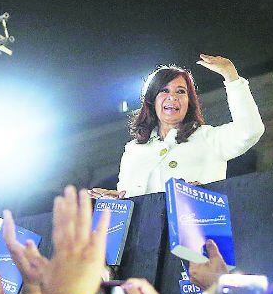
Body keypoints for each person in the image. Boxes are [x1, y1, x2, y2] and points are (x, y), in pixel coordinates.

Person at [94, 54, 264, 198]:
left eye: (181, 91)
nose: (172, 97)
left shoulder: (208, 139)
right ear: (152, 101)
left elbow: (250, 130)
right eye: (164, 91)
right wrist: (118, 201)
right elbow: (129, 196)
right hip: (145, 235)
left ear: (189, 103)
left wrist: (231, 77)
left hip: (195, 234)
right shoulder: (133, 150)